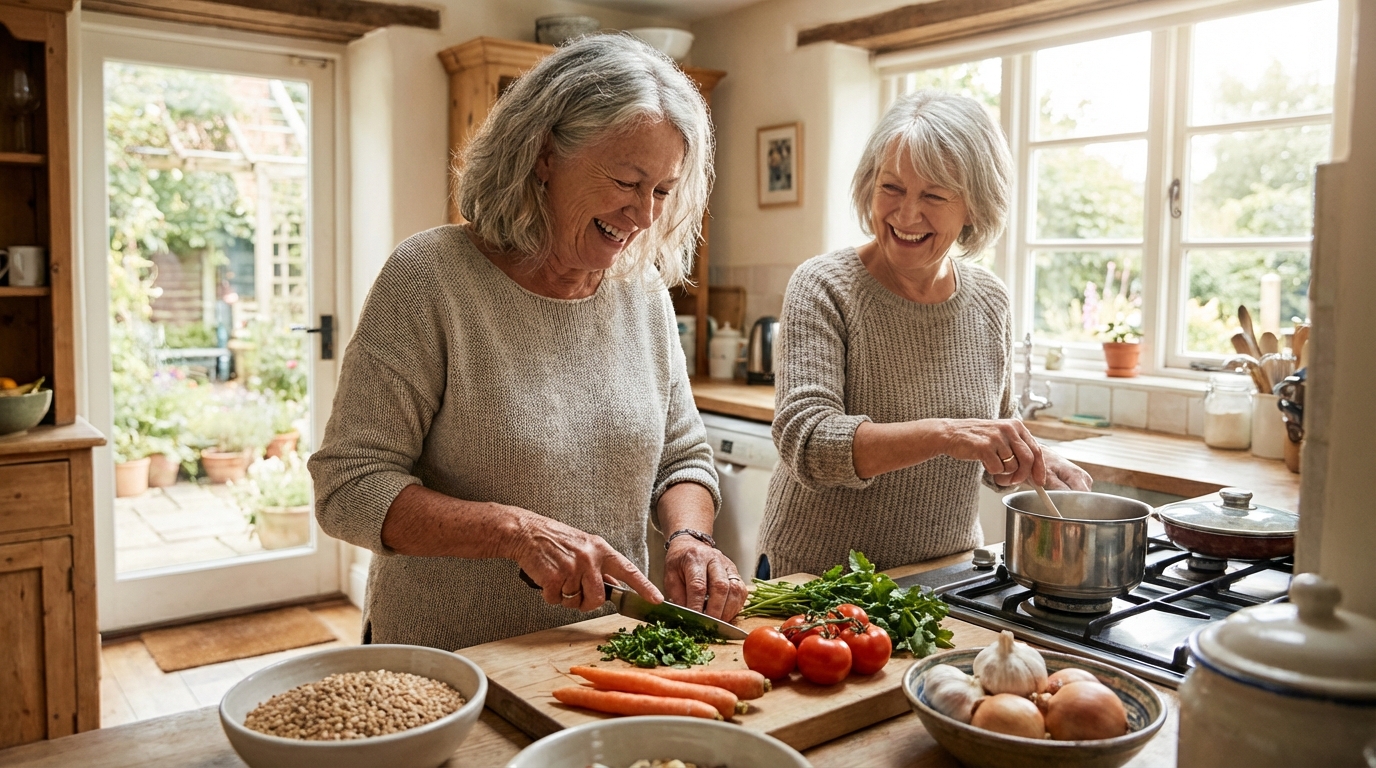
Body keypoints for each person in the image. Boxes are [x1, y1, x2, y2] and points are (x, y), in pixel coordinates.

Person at [309, 34, 746, 651]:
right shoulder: (430, 278)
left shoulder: (641, 292)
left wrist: (689, 539)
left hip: (606, 652)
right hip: (448, 662)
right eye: (626, 180)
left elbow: (683, 457)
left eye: (663, 191)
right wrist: (515, 531)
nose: (645, 215)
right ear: (543, 155)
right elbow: (349, 488)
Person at [756, 90, 1093, 579]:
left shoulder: (989, 300)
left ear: (974, 207)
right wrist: (946, 435)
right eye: (891, 188)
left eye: (933, 195)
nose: (906, 214)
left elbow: (992, 430)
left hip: (945, 575)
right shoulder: (824, 286)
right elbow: (808, 443)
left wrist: (1036, 459)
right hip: (819, 581)